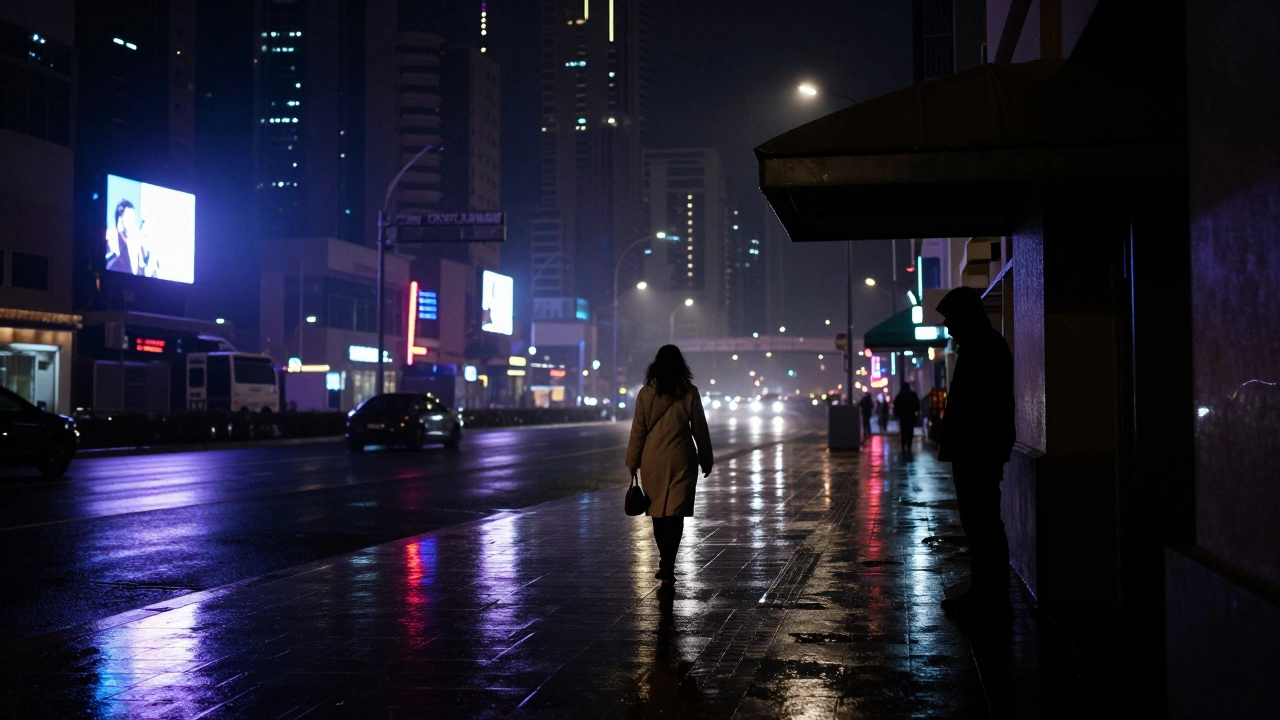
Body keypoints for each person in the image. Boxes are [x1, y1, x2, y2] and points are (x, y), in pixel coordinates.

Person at [934, 286, 1016, 616]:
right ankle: (985, 590)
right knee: (979, 521)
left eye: (951, 319)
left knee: (981, 522)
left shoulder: (982, 349)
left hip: (978, 450)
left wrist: (959, 434)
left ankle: (988, 594)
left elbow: (980, 406)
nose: (949, 327)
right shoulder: (981, 345)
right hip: (978, 448)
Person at [625, 345, 714, 588]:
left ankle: (664, 561)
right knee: (675, 513)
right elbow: (700, 429)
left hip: (653, 459)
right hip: (681, 458)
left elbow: (638, 431)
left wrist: (633, 461)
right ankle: (668, 563)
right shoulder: (690, 392)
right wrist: (706, 458)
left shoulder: (645, 393)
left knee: (657, 514)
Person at [894, 382, 921, 453]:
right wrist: (916, 412)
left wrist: (897, 414)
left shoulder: (899, 396)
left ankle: (903, 444)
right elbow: (917, 404)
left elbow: (896, 406)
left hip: (903, 416)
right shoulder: (913, 395)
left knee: (903, 430)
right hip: (911, 415)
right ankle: (909, 444)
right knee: (910, 429)